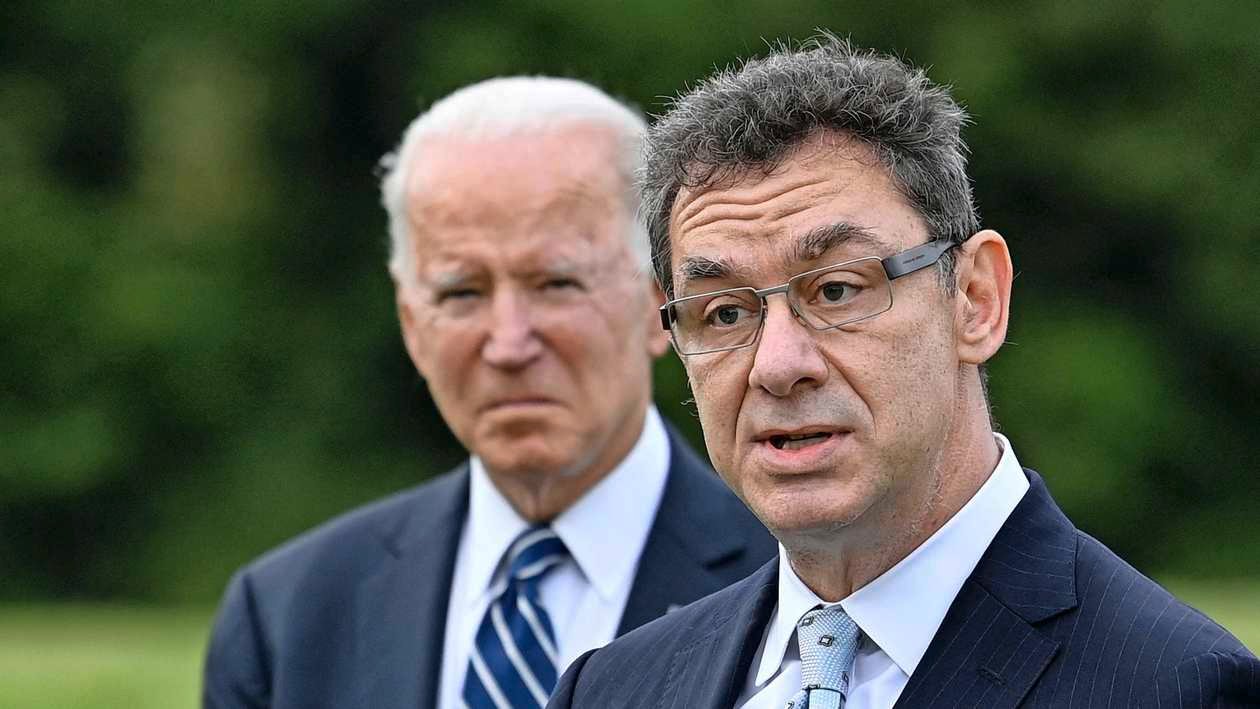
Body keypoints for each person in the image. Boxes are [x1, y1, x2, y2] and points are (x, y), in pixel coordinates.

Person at [548, 36, 1260, 708]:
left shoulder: (1177, 686)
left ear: (976, 298)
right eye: (725, 312)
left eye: (836, 290)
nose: (778, 365)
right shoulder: (610, 689)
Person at [202, 76, 776, 709]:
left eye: (556, 283)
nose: (508, 343)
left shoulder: (798, 583)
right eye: (462, 293)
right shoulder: (288, 619)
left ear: (655, 304)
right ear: (412, 322)